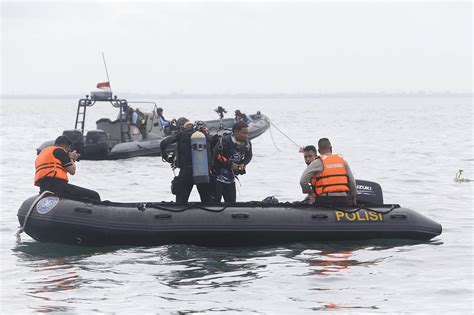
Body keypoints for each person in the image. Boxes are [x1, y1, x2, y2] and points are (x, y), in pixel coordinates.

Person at [160, 118, 213, 203]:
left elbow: (163, 143)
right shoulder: (202, 134)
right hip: (202, 171)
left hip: (186, 172)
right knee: (207, 201)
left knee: (181, 202)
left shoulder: (181, 133)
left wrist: (167, 158)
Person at [35, 135, 101, 201]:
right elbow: (72, 171)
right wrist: (71, 158)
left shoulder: (43, 153)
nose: (69, 150)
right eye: (69, 147)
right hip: (58, 187)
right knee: (94, 195)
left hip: (44, 187)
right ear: (64, 145)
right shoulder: (60, 151)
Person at [299, 138, 356, 206]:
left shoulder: (317, 162)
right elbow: (352, 182)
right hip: (343, 198)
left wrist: (311, 194)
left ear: (319, 151)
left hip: (325, 199)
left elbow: (303, 181)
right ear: (331, 148)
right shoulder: (342, 161)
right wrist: (354, 198)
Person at [213, 121, 253, 203]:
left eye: (247, 133)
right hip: (217, 178)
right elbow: (217, 156)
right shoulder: (224, 141)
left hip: (231, 179)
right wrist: (230, 164)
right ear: (235, 132)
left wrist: (243, 163)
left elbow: (249, 156)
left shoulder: (247, 143)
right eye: (244, 133)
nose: (246, 136)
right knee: (215, 204)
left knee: (232, 204)